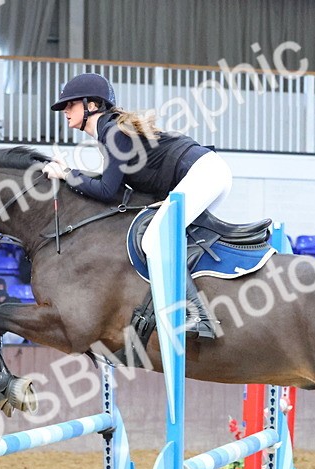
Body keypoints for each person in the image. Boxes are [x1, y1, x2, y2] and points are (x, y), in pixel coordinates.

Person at [42, 72, 226, 339]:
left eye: (70, 105)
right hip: (205, 172)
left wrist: (67, 174)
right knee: (171, 237)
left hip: (203, 173)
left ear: (91, 105)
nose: (65, 111)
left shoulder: (113, 133)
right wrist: (70, 173)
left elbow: (107, 191)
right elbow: (114, 188)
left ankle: (199, 317)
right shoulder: (111, 132)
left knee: (154, 239)